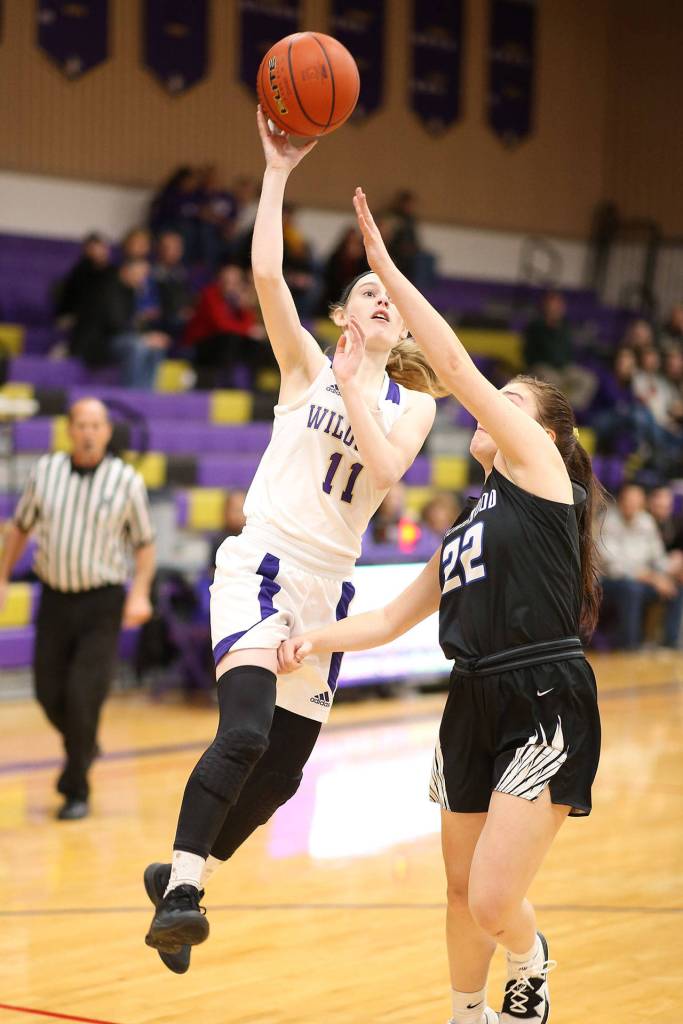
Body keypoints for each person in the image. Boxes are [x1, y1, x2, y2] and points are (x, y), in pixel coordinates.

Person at [278, 187, 603, 1024]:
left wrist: (385, 270)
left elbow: (454, 369)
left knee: (493, 899)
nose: (494, 403)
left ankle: (530, 956)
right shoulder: (469, 522)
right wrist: (311, 637)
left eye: (512, 399)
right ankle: (466, 1013)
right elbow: (391, 619)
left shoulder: (541, 474)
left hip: (541, 692)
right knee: (458, 892)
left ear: (543, 432)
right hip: (471, 696)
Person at [143, 108, 440, 974]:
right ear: (344, 313)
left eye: (392, 299)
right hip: (263, 566)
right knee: (242, 736)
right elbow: (266, 273)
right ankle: (184, 893)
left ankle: (180, 873)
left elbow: (385, 469)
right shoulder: (305, 365)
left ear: (401, 329)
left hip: (329, 590)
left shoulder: (412, 404)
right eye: (368, 292)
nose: (382, 301)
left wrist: (354, 387)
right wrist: (276, 172)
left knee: (279, 776)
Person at [0, 399, 155, 819]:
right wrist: (3, 577)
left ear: (107, 432)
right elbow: (20, 528)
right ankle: (84, 742)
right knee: (47, 691)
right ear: (69, 429)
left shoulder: (126, 481)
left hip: (102, 602)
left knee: (83, 695)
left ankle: (76, 789)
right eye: (81, 425)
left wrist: (140, 593)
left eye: (96, 425)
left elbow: (144, 546)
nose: (88, 432)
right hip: (54, 597)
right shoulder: (45, 471)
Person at [599, 483, 683, 649]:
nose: (632, 504)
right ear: (621, 500)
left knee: (676, 586)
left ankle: (670, 643)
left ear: (642, 502)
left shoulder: (646, 521)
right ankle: (630, 646)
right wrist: (651, 577)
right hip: (611, 582)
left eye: (636, 501)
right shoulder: (607, 521)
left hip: (643, 579)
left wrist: (674, 569)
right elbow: (614, 567)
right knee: (632, 589)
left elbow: (658, 558)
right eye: (629, 500)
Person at [70, 258, 169, 388]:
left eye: (145, 275)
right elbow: (115, 324)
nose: (142, 279)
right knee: (137, 345)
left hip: (120, 337)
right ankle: (130, 390)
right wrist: (144, 338)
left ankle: (146, 391)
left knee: (157, 346)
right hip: (99, 342)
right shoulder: (108, 289)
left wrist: (150, 336)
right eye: (140, 274)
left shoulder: (132, 291)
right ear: (125, 271)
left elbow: (134, 322)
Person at [183, 263, 269, 388]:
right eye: (227, 281)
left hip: (224, 342)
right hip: (202, 343)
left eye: (235, 283)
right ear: (219, 281)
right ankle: (227, 383)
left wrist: (243, 307)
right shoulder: (210, 295)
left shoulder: (236, 299)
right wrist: (248, 330)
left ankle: (253, 383)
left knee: (255, 343)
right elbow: (221, 325)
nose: (230, 286)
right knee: (231, 339)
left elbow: (249, 324)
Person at [523, 290, 596, 411]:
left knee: (588, 379)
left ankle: (569, 410)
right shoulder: (535, 326)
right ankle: (553, 411)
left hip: (564, 367)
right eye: (553, 304)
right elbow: (529, 353)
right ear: (545, 306)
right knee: (552, 380)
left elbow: (568, 351)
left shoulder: (565, 326)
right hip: (542, 367)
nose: (557, 308)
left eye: (559, 304)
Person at [54, 232, 111, 328]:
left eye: (100, 248)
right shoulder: (81, 271)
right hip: (75, 317)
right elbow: (82, 301)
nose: (96, 252)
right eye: (92, 249)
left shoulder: (111, 271)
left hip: (99, 318)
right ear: (86, 250)